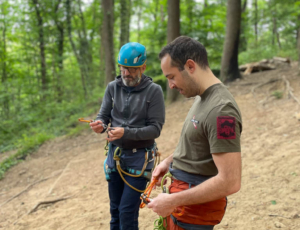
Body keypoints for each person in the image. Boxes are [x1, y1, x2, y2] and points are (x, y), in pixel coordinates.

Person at [148, 36, 242, 230]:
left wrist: (173, 200)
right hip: (183, 209)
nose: (171, 85)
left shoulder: (222, 111)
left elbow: (230, 181)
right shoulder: (202, 98)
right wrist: (168, 162)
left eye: (171, 76)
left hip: (193, 214)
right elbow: (198, 144)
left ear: (190, 66)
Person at [90, 42, 165, 230]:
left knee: (126, 212)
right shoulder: (112, 88)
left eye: (131, 69)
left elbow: (155, 129)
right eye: (123, 68)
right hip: (115, 158)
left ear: (143, 67)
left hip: (140, 159)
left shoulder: (154, 91)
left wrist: (126, 132)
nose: (125, 73)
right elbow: (103, 115)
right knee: (115, 212)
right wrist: (99, 125)